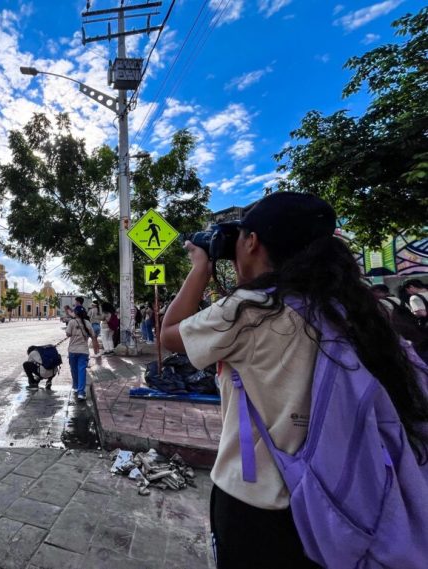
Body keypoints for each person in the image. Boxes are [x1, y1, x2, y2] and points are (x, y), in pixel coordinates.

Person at [159, 192, 428, 569]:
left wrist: (201, 266)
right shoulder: (356, 309)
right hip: (342, 504)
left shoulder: (250, 310)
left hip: (258, 504)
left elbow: (170, 333)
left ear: (252, 242)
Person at [66, 305, 99, 400]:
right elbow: (93, 335)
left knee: (73, 369)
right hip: (84, 351)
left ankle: (76, 387)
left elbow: (68, 334)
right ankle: (81, 392)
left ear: (75, 313)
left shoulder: (71, 322)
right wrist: (96, 349)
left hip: (72, 350)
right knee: (81, 370)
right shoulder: (87, 323)